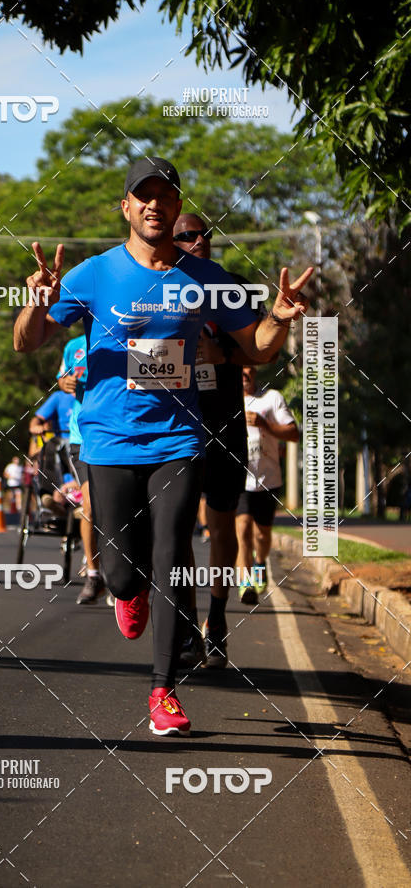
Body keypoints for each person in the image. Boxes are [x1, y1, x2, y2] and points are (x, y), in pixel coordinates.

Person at [14, 156, 312, 737]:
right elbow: (29, 342)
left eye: (165, 197)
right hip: (108, 440)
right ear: (126, 208)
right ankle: (127, 592)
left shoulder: (207, 278)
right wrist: (38, 299)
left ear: (176, 210)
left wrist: (279, 316)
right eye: (143, 196)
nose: (155, 205)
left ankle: (163, 690)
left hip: (178, 439)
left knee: (175, 551)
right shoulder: (95, 274)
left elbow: (257, 348)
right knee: (126, 574)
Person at [173, 213, 270, 669]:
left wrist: (223, 353)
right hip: (173, 425)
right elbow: (129, 353)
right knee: (175, 533)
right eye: (188, 235)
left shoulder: (235, 287)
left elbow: (262, 351)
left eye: (205, 233)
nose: (200, 240)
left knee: (222, 525)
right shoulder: (156, 285)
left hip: (225, 421)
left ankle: (216, 619)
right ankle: (189, 623)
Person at [235, 365, 300, 601]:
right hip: (239, 479)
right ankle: (245, 583)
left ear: (255, 371)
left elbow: (293, 433)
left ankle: (260, 562)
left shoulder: (271, 398)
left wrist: (265, 424)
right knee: (242, 529)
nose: (244, 373)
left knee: (262, 535)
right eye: (239, 367)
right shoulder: (227, 401)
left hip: (268, 480)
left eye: (248, 368)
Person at [57, 333, 106, 605]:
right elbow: (61, 378)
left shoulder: (124, 334)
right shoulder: (73, 345)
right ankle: (94, 573)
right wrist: (64, 382)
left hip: (118, 436)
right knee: (90, 507)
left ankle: (127, 570)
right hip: (83, 437)